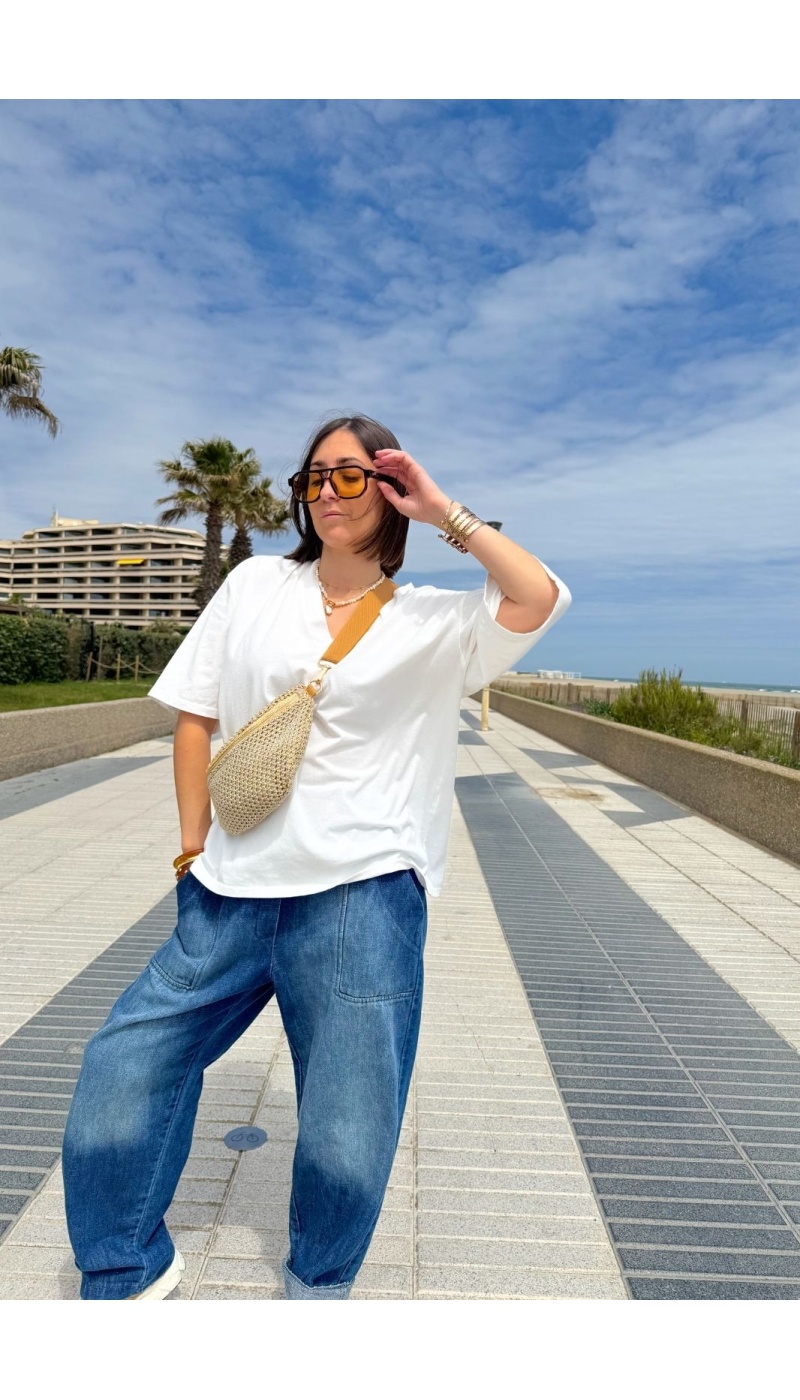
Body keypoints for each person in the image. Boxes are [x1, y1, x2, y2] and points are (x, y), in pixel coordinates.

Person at [62, 414, 571, 1300]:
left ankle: (317, 1289)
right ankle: (122, 1269)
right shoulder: (257, 584)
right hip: (227, 889)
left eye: (351, 475)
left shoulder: (437, 620)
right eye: (314, 478)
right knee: (122, 1065)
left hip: (362, 898)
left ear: (389, 487)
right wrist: (190, 853)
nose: (328, 492)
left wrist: (444, 509)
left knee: (346, 1125)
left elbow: (540, 595)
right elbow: (195, 714)